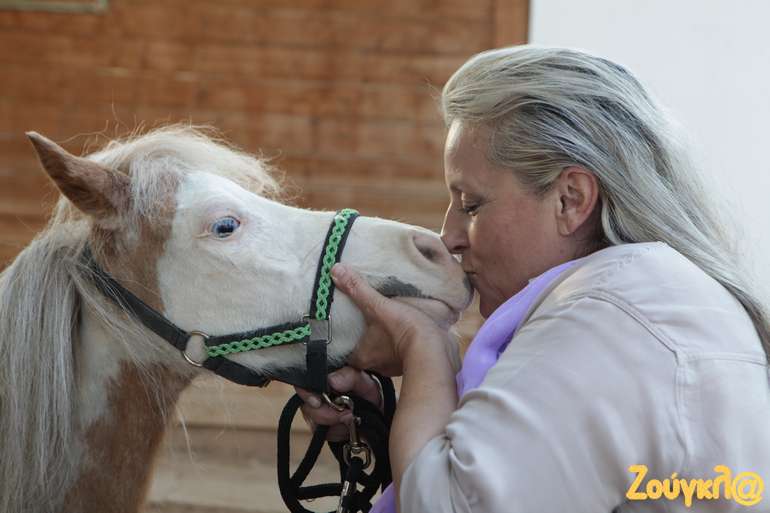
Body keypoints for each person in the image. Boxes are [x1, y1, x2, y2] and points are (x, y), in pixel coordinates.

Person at [297, 45, 770, 512]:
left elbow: (450, 505)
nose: (450, 235)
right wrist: (390, 419)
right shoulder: (649, 299)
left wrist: (420, 348)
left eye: (471, 205)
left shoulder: (608, 318)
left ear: (570, 199)